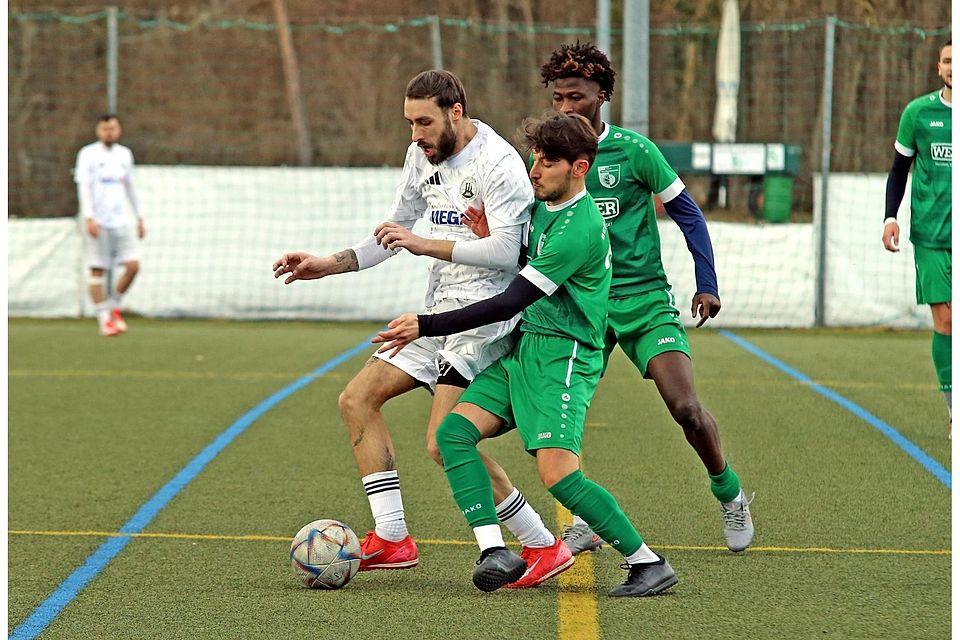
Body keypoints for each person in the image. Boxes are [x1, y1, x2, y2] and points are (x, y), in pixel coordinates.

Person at [272, 70, 573, 588]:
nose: (415, 134)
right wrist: (328, 263)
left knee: (443, 442)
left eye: (425, 122)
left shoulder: (499, 164)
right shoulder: (422, 155)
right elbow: (394, 230)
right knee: (356, 399)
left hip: (484, 317)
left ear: (457, 111)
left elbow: (506, 251)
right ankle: (393, 538)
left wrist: (422, 243)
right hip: (436, 308)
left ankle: (543, 542)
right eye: (410, 123)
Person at [464, 43, 754, 553]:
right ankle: (588, 518)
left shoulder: (635, 151)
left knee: (685, 407)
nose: (566, 108)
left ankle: (727, 491)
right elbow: (532, 233)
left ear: (603, 96)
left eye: (576, 97)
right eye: (557, 98)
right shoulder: (546, 160)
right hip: (578, 309)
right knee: (561, 415)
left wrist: (706, 281)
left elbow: (687, 213)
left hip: (641, 300)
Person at [375, 112, 678, 596]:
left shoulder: (578, 229)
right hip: (523, 347)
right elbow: (517, 261)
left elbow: (512, 299)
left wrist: (424, 325)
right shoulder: (541, 209)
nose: (534, 170)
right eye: (534, 159)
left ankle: (647, 561)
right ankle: (497, 550)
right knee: (451, 436)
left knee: (558, 474)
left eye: (548, 162)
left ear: (580, 168)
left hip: (564, 357)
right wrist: (484, 233)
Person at [883, 39, 952, 439]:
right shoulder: (918, 113)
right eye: (947, 61)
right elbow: (898, 169)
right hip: (929, 235)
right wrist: (890, 217)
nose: (952, 67)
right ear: (938, 66)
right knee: (945, 320)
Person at [74, 114, 145, 337]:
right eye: (105, 129)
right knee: (98, 269)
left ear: (119, 130)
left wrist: (140, 216)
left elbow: (131, 187)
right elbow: (83, 186)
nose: (109, 132)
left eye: (113, 128)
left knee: (133, 266)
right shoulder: (88, 154)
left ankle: (113, 305)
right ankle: (104, 319)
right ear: (98, 131)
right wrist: (89, 217)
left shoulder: (124, 154)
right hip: (98, 221)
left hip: (121, 220)